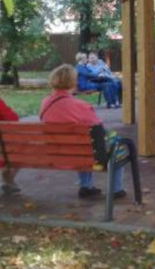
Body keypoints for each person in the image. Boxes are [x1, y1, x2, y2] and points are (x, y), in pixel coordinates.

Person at [39, 64, 126, 200]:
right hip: (84, 152)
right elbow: (98, 129)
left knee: (81, 145)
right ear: (74, 82)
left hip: (56, 152)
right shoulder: (80, 105)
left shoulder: (45, 103)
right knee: (117, 146)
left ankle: (86, 186)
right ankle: (117, 189)